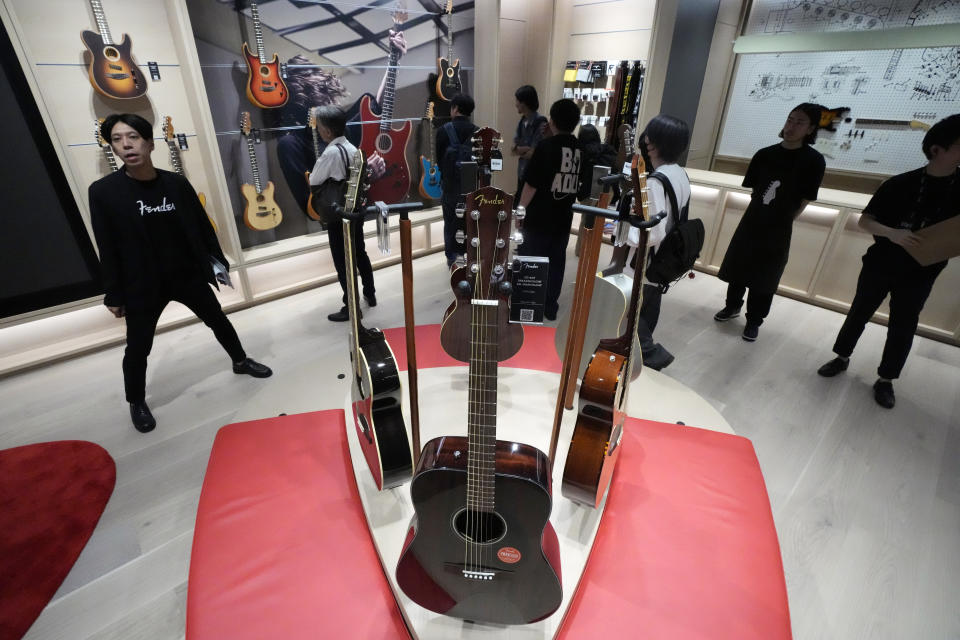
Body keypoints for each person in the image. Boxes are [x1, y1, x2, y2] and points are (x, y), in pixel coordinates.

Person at [89, 114, 272, 433]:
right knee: (138, 345)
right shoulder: (104, 191)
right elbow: (107, 245)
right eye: (117, 139)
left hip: (185, 273)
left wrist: (216, 261)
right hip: (142, 282)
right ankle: (136, 400)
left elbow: (202, 226)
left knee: (218, 319)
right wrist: (114, 293)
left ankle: (240, 361)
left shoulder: (175, 183)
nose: (126, 144)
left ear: (149, 142)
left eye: (132, 136)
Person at [817, 114, 960, 409]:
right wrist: (893, 234)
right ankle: (841, 357)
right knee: (859, 311)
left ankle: (886, 379)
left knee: (903, 325)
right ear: (936, 149)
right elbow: (865, 221)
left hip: (923, 271)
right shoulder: (900, 184)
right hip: (881, 263)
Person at [715, 103, 826, 341]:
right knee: (738, 266)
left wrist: (786, 218)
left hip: (780, 225)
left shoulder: (814, 161)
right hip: (753, 218)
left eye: (800, 122)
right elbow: (755, 188)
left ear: (811, 129)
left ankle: (754, 320)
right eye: (790, 119)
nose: (791, 126)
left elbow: (806, 198)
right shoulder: (765, 154)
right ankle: (732, 306)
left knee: (765, 275)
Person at [276, 26, 406, 217]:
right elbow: (314, 209)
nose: (324, 83)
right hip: (337, 224)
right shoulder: (290, 145)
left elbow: (377, 110)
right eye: (313, 79)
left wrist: (394, 61)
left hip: (365, 212)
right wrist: (362, 174)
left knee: (367, 100)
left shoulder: (339, 128)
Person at [624, 114, 691, 370]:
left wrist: (624, 230)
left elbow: (652, 232)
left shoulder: (654, 182)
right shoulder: (678, 173)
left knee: (630, 315)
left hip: (645, 262)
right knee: (648, 308)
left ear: (653, 143)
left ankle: (651, 356)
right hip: (665, 261)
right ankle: (640, 359)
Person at [517, 98, 584, 321]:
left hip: (538, 218)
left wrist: (520, 211)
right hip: (563, 217)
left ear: (552, 121)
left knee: (531, 260)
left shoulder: (546, 147)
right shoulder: (579, 149)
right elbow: (582, 189)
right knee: (557, 262)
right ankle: (550, 306)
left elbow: (531, 184)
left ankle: (527, 306)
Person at [308, 106, 376, 322]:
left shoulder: (330, 153)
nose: (318, 131)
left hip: (337, 213)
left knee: (342, 260)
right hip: (355, 209)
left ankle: (351, 306)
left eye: (319, 128)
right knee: (360, 252)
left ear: (327, 131)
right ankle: (370, 293)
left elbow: (314, 180)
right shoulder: (353, 148)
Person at [436, 93, 479, 267]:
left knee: (450, 220)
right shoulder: (478, 131)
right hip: (471, 185)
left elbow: (439, 159)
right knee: (470, 219)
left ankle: (452, 257)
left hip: (450, 184)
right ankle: (469, 253)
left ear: (455, 108)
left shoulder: (443, 130)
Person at [512, 85, 548, 196]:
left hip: (534, 176)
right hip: (522, 173)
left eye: (517, 100)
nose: (516, 104)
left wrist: (521, 150)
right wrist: (525, 149)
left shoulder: (541, 122)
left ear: (524, 103)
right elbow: (514, 150)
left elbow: (533, 153)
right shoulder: (522, 122)